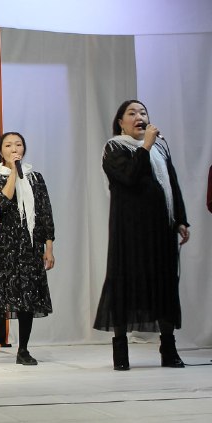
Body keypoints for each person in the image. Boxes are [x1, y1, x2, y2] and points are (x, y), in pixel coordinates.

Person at [94, 100, 189, 370]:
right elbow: (130, 177)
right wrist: (145, 146)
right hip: (130, 233)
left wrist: (180, 220)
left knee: (164, 285)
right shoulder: (115, 148)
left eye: (143, 112)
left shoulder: (160, 149)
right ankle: (121, 354)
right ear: (121, 122)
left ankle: (168, 350)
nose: (140, 116)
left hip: (160, 230)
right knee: (125, 284)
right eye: (132, 113)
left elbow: (171, 184)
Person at [0, 132, 55, 368]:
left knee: (27, 295)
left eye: (18, 144)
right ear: (1, 151)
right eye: (8, 145)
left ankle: (23, 350)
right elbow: (2, 202)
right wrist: (14, 174)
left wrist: (48, 246)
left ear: (24, 149)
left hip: (29, 244)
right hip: (2, 244)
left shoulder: (35, 177)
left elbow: (45, 212)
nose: (14, 148)